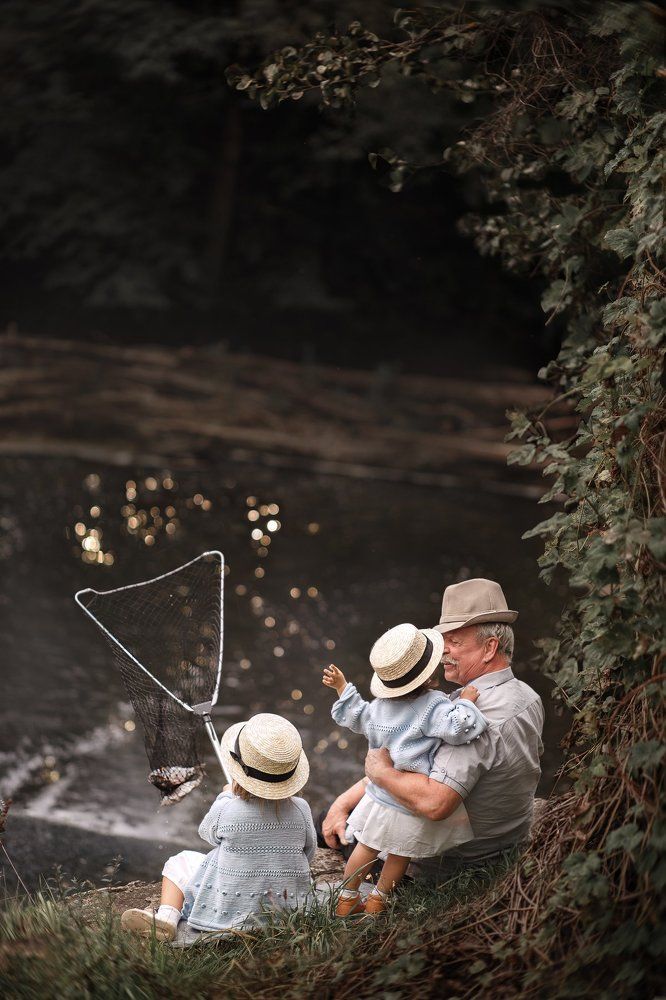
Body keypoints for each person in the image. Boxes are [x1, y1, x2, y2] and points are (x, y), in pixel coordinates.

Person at [320, 580, 544, 882]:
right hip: (502, 843)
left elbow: (434, 802)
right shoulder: (527, 697)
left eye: (455, 642)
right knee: (335, 811)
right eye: (443, 641)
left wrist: (379, 772)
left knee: (324, 823)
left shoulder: (471, 721)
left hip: (444, 865)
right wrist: (346, 801)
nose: (443, 653)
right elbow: (412, 761)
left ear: (490, 647)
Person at [322, 622, 488, 915]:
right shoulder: (433, 706)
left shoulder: (378, 707)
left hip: (378, 795)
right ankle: (377, 901)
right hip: (407, 794)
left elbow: (355, 715)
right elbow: (460, 728)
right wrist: (466, 701)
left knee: (367, 846)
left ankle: (346, 897)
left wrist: (342, 688)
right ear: (428, 672)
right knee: (401, 851)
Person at [121, 713, 316, 941]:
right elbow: (309, 854)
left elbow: (208, 834)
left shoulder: (229, 809)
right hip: (286, 913)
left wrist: (225, 797)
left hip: (226, 913)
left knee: (179, 862)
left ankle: (167, 918)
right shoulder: (302, 809)